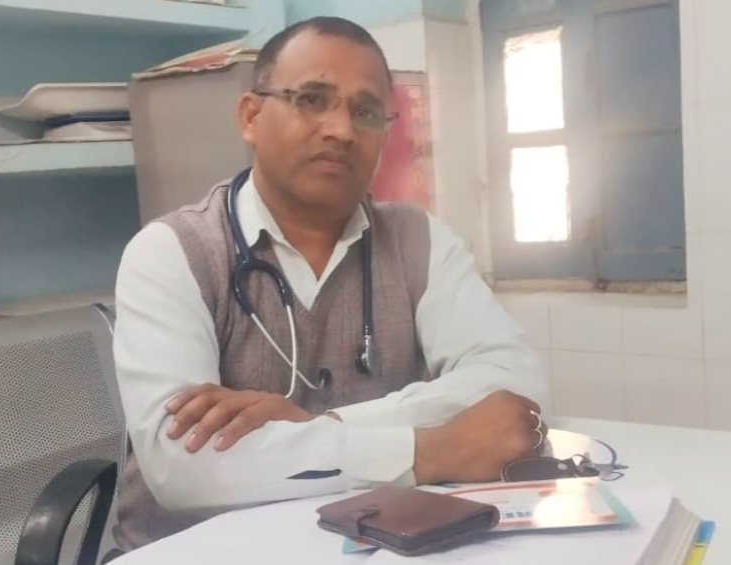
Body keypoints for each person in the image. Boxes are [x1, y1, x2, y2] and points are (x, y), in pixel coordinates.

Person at [111, 16, 550, 552]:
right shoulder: (172, 253)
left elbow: (515, 388)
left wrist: (326, 422)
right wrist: (429, 450)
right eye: (312, 99)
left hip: (369, 543)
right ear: (251, 116)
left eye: (366, 112)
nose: (342, 130)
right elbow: (182, 468)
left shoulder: (417, 240)